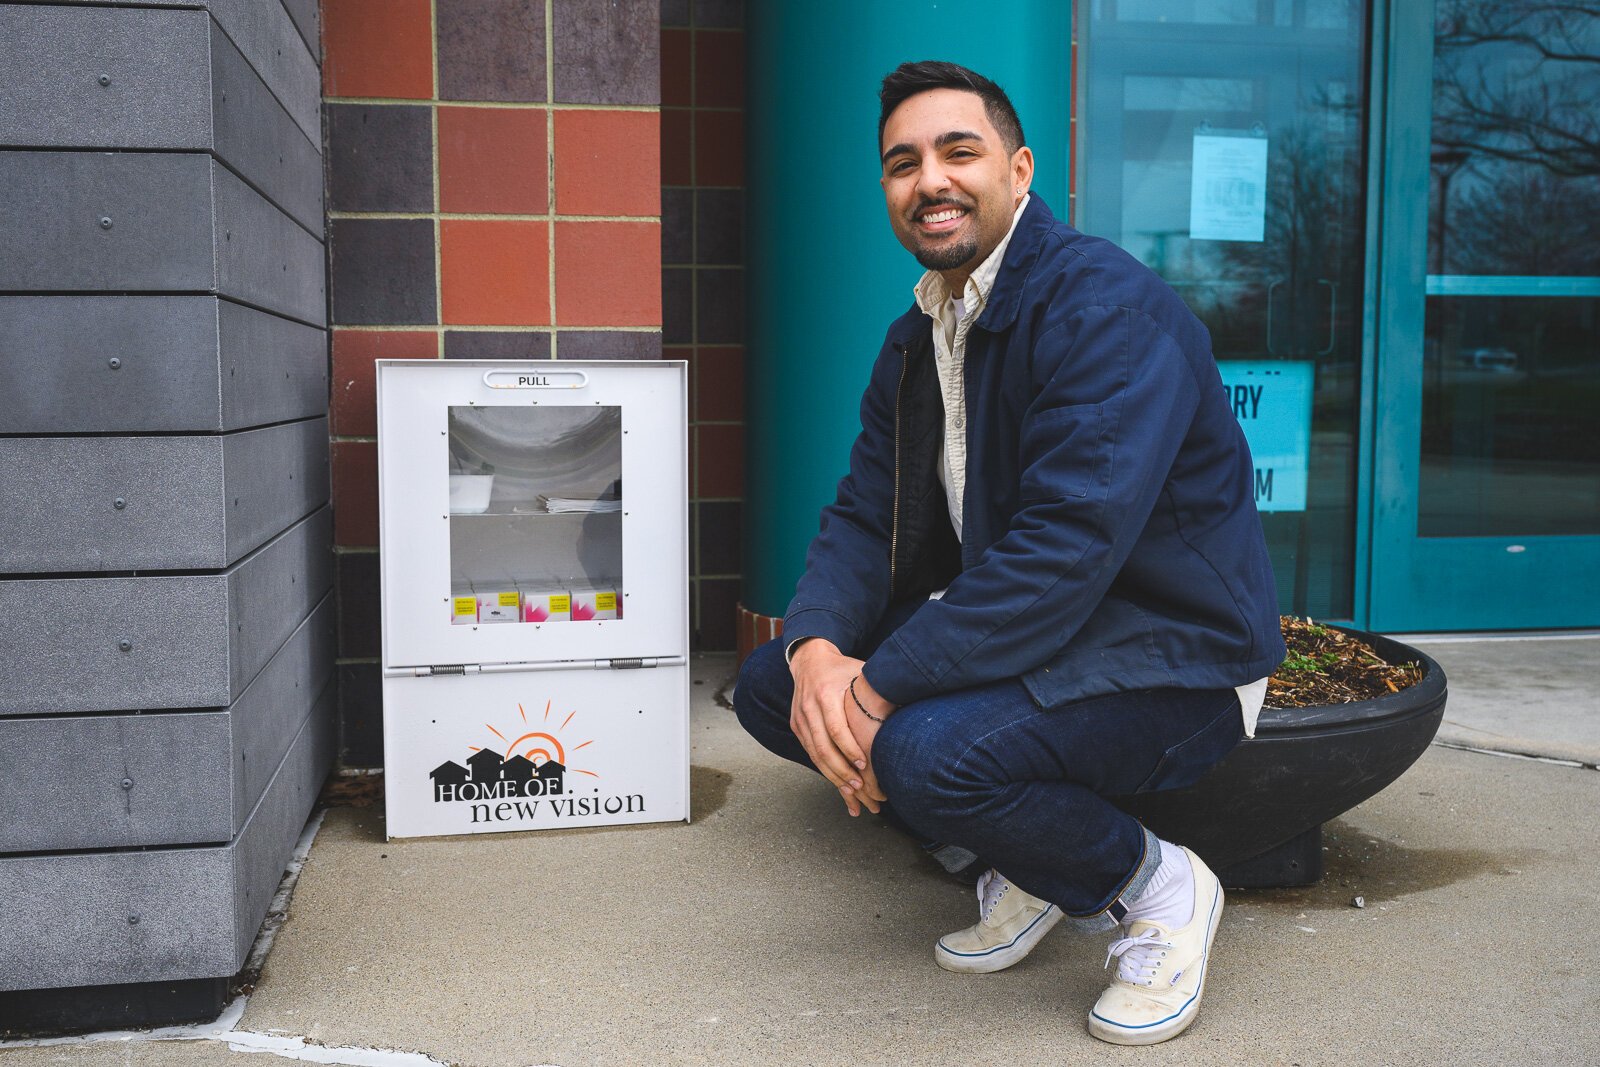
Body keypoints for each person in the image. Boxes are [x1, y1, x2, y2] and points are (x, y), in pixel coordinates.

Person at [732, 60, 1285, 1046]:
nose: (930, 180)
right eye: (903, 163)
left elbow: (1062, 550)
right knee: (776, 687)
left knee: (918, 748)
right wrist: (816, 649)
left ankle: (1152, 883)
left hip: (1170, 655)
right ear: (887, 190)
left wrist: (878, 688)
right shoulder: (922, 332)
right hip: (1050, 636)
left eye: (959, 151)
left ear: (1019, 170)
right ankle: (1022, 857)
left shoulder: (1101, 312)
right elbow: (863, 512)